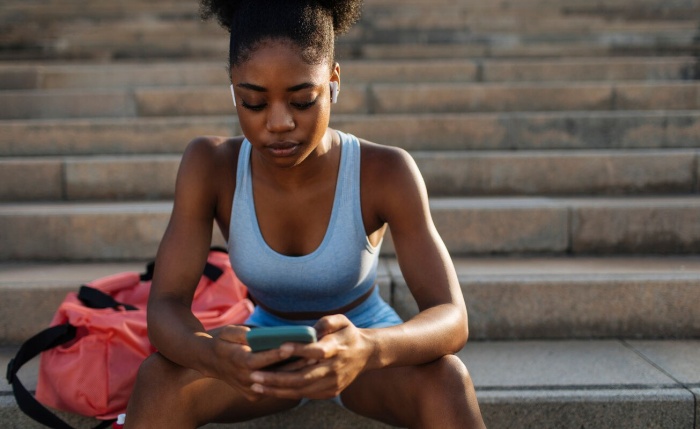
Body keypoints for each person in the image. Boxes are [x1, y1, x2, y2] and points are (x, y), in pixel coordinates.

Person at [124, 0, 485, 427]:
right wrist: (210, 354)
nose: (278, 123)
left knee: (447, 380)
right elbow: (164, 307)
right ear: (233, 91)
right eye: (253, 103)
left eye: (302, 100)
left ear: (333, 80)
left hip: (362, 345)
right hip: (264, 349)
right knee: (158, 380)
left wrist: (367, 348)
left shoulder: (385, 171)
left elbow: (451, 317)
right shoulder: (211, 165)